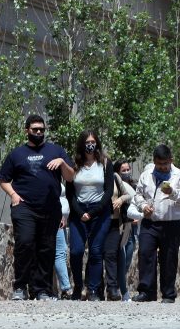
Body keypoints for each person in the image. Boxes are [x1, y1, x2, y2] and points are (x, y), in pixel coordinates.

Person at [0, 115, 75, 301]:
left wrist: (63, 163)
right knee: (25, 243)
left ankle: (41, 290)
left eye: (41, 129)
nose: (39, 132)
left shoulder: (56, 150)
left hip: (50, 208)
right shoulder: (16, 154)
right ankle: (20, 287)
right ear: (27, 131)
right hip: (24, 207)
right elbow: (3, 179)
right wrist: (14, 195)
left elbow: (71, 177)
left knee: (46, 248)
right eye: (35, 129)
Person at [132, 144, 180, 303]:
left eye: (166, 164)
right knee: (145, 254)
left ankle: (168, 294)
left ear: (171, 160)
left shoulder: (179, 176)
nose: (163, 167)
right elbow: (137, 195)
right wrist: (144, 207)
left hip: (171, 224)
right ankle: (146, 292)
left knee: (169, 258)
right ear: (154, 161)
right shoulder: (146, 175)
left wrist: (172, 192)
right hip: (150, 223)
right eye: (160, 164)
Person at [66, 129, 114, 301]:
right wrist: (80, 213)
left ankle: (93, 289)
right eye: (87, 142)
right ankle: (78, 287)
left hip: (100, 212)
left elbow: (109, 191)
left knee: (95, 251)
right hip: (78, 212)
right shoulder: (74, 165)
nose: (90, 145)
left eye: (93, 142)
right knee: (76, 251)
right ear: (81, 145)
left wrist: (93, 212)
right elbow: (70, 192)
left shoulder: (105, 163)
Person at [100, 160, 136, 301]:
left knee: (112, 255)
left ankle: (112, 289)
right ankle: (94, 288)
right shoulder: (92, 177)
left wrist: (120, 199)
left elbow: (128, 195)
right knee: (96, 254)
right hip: (97, 221)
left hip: (115, 222)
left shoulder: (115, 176)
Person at [114, 160, 138, 301]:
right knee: (122, 258)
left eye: (128, 169)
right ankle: (121, 290)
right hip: (121, 226)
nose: (126, 172)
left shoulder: (133, 185)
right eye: (123, 170)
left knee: (128, 257)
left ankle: (119, 286)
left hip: (132, 228)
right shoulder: (117, 184)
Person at [55, 184, 73, 299]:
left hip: (61, 220)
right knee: (60, 253)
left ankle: (64, 288)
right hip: (56, 220)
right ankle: (66, 288)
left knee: (61, 252)